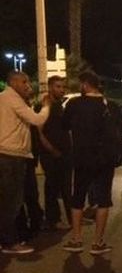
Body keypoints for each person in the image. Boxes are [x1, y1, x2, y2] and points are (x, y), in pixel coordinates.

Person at [62, 71, 114, 255]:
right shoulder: (110, 105)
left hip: (82, 158)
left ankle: (76, 239)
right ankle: (98, 242)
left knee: (78, 197)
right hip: (105, 159)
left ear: (85, 85)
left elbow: (64, 126)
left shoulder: (74, 104)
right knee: (103, 200)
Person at [0, 71, 49, 254]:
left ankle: (6, 239)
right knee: (12, 201)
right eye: (24, 81)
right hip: (12, 155)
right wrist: (46, 106)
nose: (28, 85)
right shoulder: (12, 99)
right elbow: (37, 119)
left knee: (7, 200)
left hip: (8, 154)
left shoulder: (4, 98)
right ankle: (10, 243)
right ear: (13, 82)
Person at [38, 75, 72, 230]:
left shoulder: (59, 105)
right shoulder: (43, 106)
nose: (61, 89)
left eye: (62, 87)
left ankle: (72, 218)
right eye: (58, 86)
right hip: (50, 154)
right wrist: (51, 149)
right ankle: (53, 219)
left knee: (66, 187)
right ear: (50, 87)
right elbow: (39, 131)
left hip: (65, 153)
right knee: (52, 187)